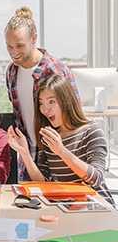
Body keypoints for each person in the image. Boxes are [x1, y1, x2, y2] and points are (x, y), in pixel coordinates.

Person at [7, 74, 115, 205]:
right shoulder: (49, 138)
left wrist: (61, 151)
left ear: (66, 101)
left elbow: (96, 178)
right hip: (68, 208)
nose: (45, 109)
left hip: (98, 207)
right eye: (41, 103)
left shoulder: (92, 131)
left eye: (51, 101)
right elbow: (43, 182)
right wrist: (24, 153)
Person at [5, 6, 80, 181]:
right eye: (9, 46)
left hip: (57, 157)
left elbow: (74, 119)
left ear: (34, 39)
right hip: (28, 156)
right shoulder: (11, 72)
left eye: (20, 45)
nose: (14, 53)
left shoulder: (56, 70)